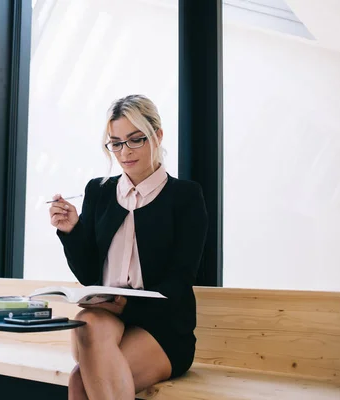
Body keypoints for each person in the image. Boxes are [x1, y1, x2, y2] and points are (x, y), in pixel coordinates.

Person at [49, 94, 208, 400]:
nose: (125, 152)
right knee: (87, 320)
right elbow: (88, 273)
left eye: (135, 140)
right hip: (105, 318)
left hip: (163, 325)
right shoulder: (98, 191)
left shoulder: (185, 196)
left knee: (80, 382)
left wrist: (127, 305)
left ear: (157, 135)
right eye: (116, 143)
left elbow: (181, 278)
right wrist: (72, 231)